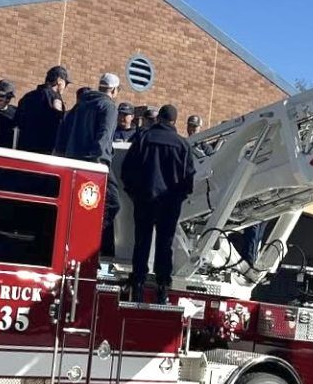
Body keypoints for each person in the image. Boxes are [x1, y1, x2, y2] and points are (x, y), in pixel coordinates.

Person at [121, 104, 195, 304]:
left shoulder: (143, 139)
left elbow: (127, 169)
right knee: (165, 244)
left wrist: (133, 193)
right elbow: (189, 178)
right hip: (169, 203)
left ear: (159, 119)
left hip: (144, 199)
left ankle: (138, 281)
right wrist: (178, 197)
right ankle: (162, 286)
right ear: (174, 122)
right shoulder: (182, 145)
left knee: (142, 241)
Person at [56, 74, 121, 256]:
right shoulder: (108, 106)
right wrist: (98, 166)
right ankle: (88, 243)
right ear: (115, 90)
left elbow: (64, 131)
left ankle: (74, 243)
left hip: (73, 163)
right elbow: (104, 136)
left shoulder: (81, 104)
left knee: (77, 206)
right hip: (94, 165)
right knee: (112, 203)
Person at [15, 65, 70, 154]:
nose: (65, 87)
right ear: (59, 81)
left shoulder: (27, 96)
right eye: (66, 83)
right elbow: (59, 121)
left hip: (23, 150)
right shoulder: (55, 97)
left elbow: (17, 122)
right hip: (44, 151)